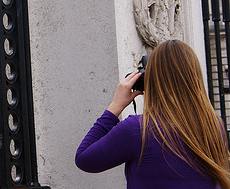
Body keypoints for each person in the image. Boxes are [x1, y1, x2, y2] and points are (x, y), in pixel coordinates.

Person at [76, 39, 230, 189]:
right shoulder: (214, 125)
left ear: (151, 79)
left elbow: (84, 159)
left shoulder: (137, 129)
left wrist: (115, 107)